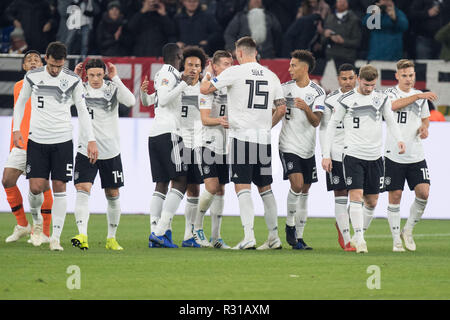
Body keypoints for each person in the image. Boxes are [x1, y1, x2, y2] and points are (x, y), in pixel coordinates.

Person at [200, 36, 286, 250]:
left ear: (239, 53)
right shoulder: (272, 75)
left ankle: (249, 236)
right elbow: (282, 108)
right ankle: (274, 237)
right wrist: (267, 125)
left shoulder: (234, 72)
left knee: (242, 187)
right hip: (264, 139)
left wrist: (209, 72)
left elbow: (205, 90)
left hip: (242, 138)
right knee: (266, 188)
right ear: (255, 52)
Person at [12, 41, 98, 251]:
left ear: (63, 62)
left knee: (60, 187)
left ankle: (55, 238)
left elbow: (83, 110)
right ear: (46, 59)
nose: (55, 70)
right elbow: (21, 103)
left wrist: (91, 139)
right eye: (52, 65)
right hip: (37, 139)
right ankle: (37, 225)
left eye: (59, 66)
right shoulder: (32, 76)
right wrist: (16, 130)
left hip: (62, 140)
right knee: (35, 187)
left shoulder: (73, 80)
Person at [322, 64, 405, 253]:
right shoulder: (346, 100)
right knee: (356, 196)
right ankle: (359, 239)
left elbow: (391, 121)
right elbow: (331, 127)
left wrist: (399, 140)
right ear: (359, 79)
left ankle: (360, 233)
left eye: (372, 85)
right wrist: (326, 154)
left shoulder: (381, 98)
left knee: (372, 201)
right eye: (366, 85)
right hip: (352, 155)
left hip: (375, 157)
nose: (369, 89)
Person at [70, 59, 135, 251]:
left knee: (112, 194)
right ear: (86, 75)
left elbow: (131, 101)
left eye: (99, 75)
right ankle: (82, 234)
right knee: (82, 188)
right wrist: (73, 78)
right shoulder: (79, 89)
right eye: (91, 75)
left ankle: (111, 238)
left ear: (104, 74)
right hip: (85, 149)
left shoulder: (111, 88)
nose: (96, 79)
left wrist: (116, 78)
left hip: (110, 150)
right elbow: (62, 101)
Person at [383, 59, 437, 252]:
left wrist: (424, 128)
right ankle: (396, 240)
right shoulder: (389, 93)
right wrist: (418, 96)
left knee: (424, 193)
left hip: (415, 153)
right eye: (404, 75)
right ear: (397, 76)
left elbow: (425, 120)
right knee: (395, 195)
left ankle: (408, 230)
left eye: (411, 75)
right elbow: (393, 106)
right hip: (394, 153)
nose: (408, 79)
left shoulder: (419, 96)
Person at [146, 43, 195, 248]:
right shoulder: (169, 73)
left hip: (156, 133)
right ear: (178, 56)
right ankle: (160, 231)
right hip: (169, 133)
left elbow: (152, 99)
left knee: (162, 184)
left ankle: (155, 232)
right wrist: (183, 84)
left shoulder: (162, 74)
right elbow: (164, 99)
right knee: (181, 181)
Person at [3, 50, 53, 245]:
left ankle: (44, 231)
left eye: (36, 60)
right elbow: (19, 117)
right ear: (24, 66)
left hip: (42, 143)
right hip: (21, 144)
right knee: (7, 180)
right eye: (29, 60)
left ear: (42, 65)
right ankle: (23, 225)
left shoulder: (50, 86)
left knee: (41, 186)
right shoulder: (18, 87)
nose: (33, 62)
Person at [279, 49, 326, 251]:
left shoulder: (318, 92)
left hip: (307, 148)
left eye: (293, 65)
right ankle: (290, 225)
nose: (289, 69)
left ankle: (299, 237)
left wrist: (307, 108)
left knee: (305, 191)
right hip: (288, 144)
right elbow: (274, 111)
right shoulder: (283, 89)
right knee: (297, 185)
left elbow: (316, 122)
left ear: (304, 68)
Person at [194, 50, 233, 249]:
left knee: (221, 190)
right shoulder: (208, 88)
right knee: (211, 187)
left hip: (224, 147)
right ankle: (197, 228)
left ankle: (216, 236)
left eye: (230, 64)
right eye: (224, 64)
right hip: (207, 143)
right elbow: (204, 119)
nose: (229, 67)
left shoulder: (231, 87)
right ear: (215, 66)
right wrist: (220, 120)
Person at [319, 63, 357, 252]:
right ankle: (346, 238)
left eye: (351, 78)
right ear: (338, 79)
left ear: (356, 77)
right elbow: (324, 129)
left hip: (359, 153)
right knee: (341, 194)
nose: (348, 82)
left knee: (366, 196)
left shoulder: (365, 97)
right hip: (336, 153)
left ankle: (343, 221)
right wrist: (326, 155)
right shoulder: (331, 100)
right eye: (344, 78)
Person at [176, 46, 209, 248]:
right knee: (175, 186)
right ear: (183, 65)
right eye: (190, 64)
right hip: (177, 139)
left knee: (195, 188)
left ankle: (189, 234)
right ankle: (163, 229)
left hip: (198, 141)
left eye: (197, 65)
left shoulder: (206, 86)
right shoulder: (175, 83)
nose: (193, 68)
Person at [321, 0, 361, 69]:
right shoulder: (329, 18)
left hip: (347, 58)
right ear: (336, 3)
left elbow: (357, 42)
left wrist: (343, 41)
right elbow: (322, 41)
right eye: (339, 1)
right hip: (330, 58)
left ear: (348, 3)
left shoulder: (354, 19)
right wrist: (326, 35)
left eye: (344, 1)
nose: (342, 3)